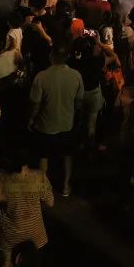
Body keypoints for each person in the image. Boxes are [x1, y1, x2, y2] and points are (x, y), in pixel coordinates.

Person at [28, 46, 84, 197]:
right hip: (67, 123)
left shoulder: (41, 77)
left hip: (46, 124)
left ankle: (43, 188)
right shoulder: (76, 75)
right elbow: (79, 103)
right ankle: (65, 186)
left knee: (43, 156)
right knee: (67, 155)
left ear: (51, 57)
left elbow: (35, 104)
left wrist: (31, 119)